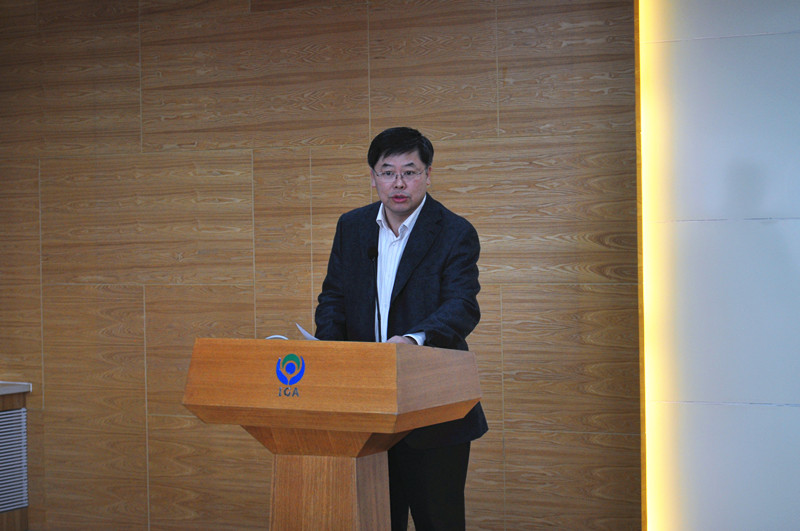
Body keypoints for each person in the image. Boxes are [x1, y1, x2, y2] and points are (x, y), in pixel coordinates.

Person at [314, 126, 488, 530]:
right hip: (366, 410)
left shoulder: (454, 232)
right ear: (372, 176)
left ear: (428, 174)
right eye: (387, 172)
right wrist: (330, 351)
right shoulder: (352, 227)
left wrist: (412, 340)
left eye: (409, 172)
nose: (398, 183)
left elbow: (462, 306)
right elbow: (333, 298)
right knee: (375, 521)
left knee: (438, 522)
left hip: (434, 409)